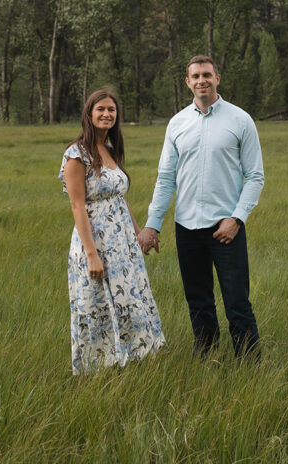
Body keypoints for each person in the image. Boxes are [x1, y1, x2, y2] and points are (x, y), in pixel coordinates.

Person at [138, 56, 264, 359]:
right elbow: (166, 178)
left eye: (207, 74)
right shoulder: (177, 123)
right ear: (188, 82)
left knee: (236, 301)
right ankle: (206, 358)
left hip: (226, 228)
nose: (201, 80)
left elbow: (255, 176)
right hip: (188, 228)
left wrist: (237, 219)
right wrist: (152, 225)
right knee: (198, 300)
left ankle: (249, 365)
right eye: (195, 76)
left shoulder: (240, 120)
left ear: (217, 78)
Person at [59, 88, 165, 375]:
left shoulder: (109, 149)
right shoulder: (76, 155)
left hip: (124, 246)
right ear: (89, 114)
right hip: (96, 244)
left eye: (112, 110)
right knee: (98, 306)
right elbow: (78, 207)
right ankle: (100, 370)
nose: (107, 114)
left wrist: (139, 232)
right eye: (101, 109)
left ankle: (134, 361)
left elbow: (119, 198)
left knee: (131, 300)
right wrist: (92, 255)